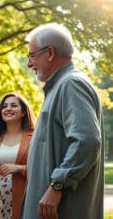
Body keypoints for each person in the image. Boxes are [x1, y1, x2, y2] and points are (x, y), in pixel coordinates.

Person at [20, 22, 104, 219]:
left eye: (32, 55)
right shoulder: (60, 86)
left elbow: (88, 141)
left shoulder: (71, 85)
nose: (29, 64)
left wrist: (57, 185)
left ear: (50, 53)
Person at [0, 92, 35, 219]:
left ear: (23, 112)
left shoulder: (34, 137)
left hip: (23, 197)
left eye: (13, 105)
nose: (8, 109)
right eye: (4, 106)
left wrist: (20, 168)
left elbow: (43, 168)